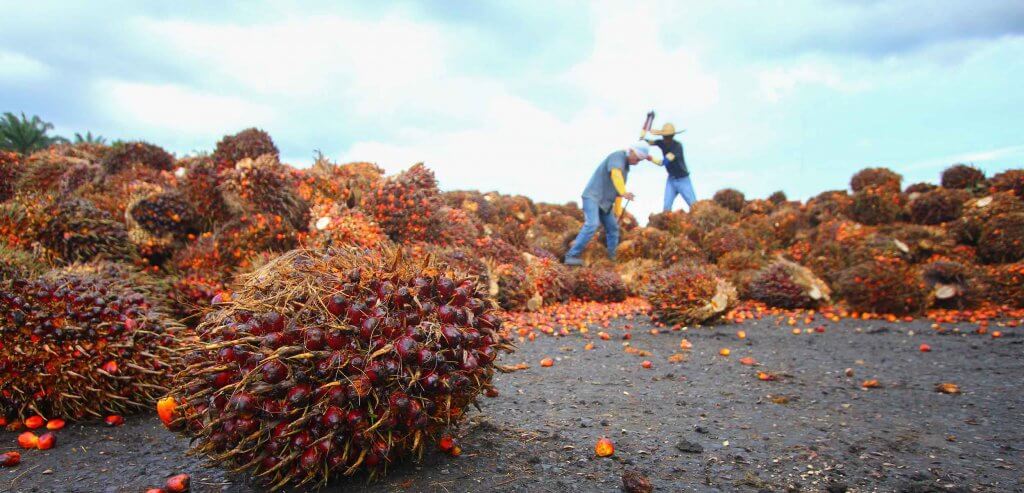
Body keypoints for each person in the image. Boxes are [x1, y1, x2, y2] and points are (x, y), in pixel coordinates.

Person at [563, 141, 655, 266]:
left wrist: (617, 212)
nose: (637, 163)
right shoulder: (618, 156)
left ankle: (612, 259)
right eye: (637, 159)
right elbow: (615, 175)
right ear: (632, 151)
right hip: (593, 197)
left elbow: (618, 193)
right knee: (592, 224)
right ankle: (571, 255)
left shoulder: (626, 169)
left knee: (613, 228)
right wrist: (624, 192)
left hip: (605, 204)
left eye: (640, 161)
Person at [646, 122, 695, 212]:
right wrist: (644, 136)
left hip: (682, 179)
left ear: (672, 136)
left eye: (668, 137)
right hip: (671, 179)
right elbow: (648, 142)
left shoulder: (677, 147)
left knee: (694, 206)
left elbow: (663, 162)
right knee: (666, 207)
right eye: (664, 137)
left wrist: (650, 158)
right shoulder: (661, 143)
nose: (666, 139)